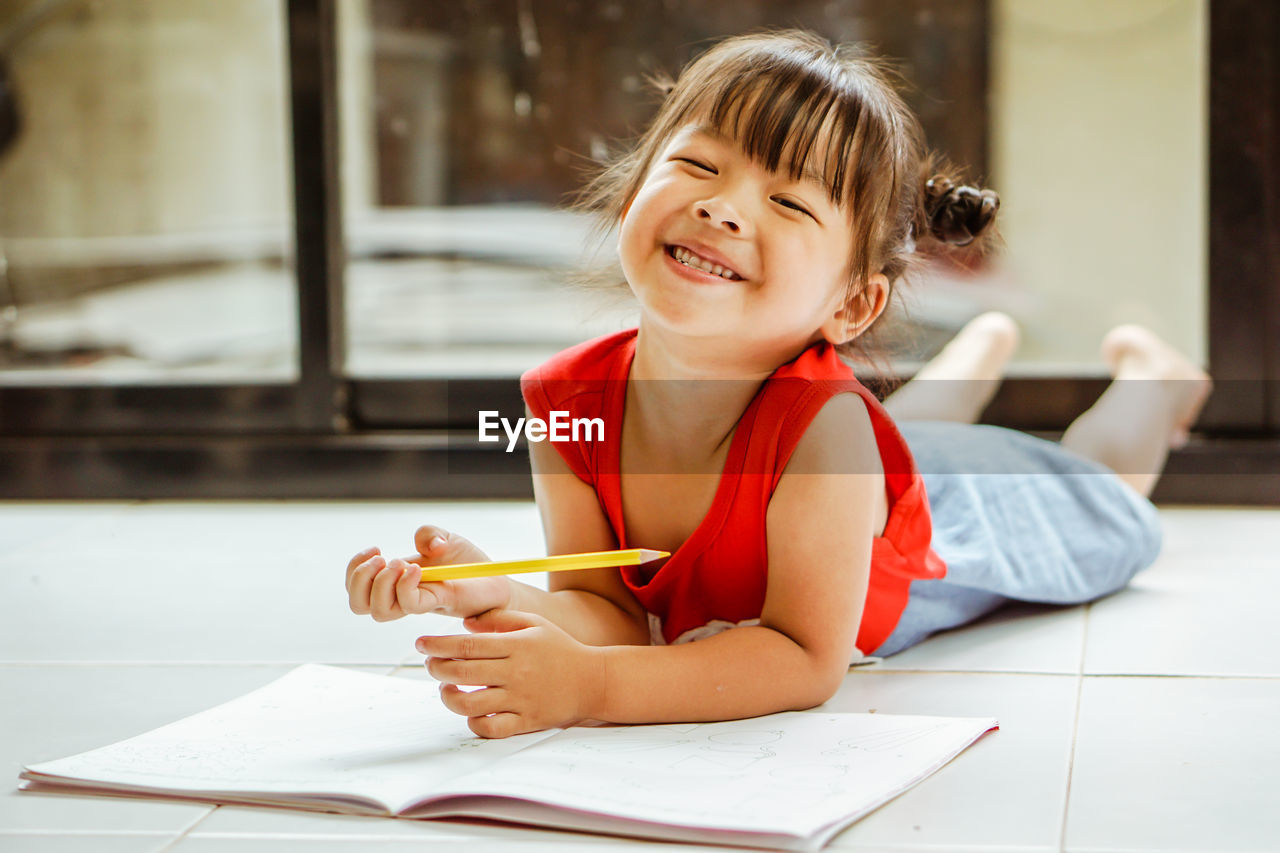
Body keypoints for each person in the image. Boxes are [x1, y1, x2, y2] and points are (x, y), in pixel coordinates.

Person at [345, 30, 1211, 738]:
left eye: (789, 204)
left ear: (852, 304)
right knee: (900, 433)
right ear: (630, 194)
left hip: (939, 526)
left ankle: (1152, 380)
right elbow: (602, 607)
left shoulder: (827, 432)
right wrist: (497, 588)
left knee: (1098, 489)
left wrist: (594, 689)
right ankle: (977, 355)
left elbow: (802, 655)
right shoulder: (565, 404)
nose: (724, 209)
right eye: (698, 166)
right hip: (853, 468)